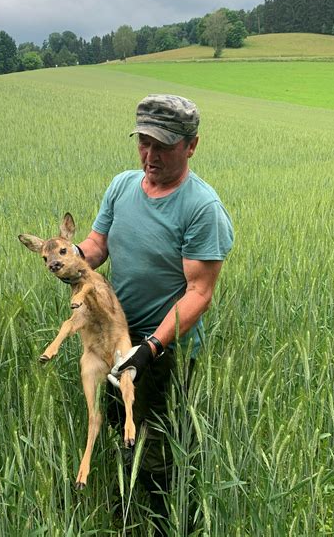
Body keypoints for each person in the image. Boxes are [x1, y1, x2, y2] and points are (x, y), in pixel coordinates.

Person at [77, 94, 234, 534]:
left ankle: (172, 522)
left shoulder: (202, 208)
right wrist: (69, 257)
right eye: (143, 142)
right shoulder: (122, 186)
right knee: (119, 433)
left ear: (191, 145)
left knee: (160, 447)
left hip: (164, 350)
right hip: (114, 341)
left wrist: (149, 350)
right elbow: (97, 246)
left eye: (162, 145)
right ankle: (125, 516)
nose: (150, 155)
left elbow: (199, 293)